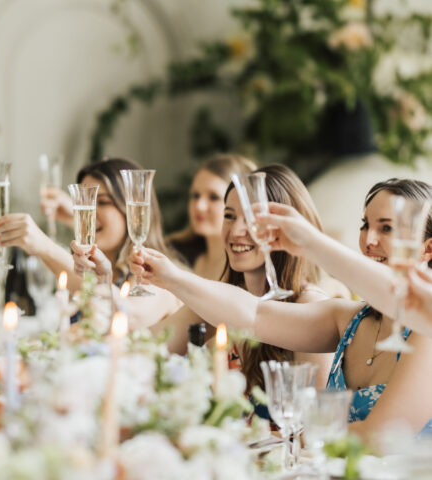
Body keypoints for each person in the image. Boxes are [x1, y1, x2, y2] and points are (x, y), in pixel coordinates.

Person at [132, 177, 432, 441]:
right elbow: (255, 314)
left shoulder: (427, 333)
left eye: (387, 228)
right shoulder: (348, 319)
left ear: (427, 249)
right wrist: (172, 277)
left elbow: (378, 438)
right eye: (365, 225)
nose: (369, 240)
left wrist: (299, 438)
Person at [158, 165, 333, 391]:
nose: (237, 231)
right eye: (229, 216)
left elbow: (312, 418)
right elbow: (151, 345)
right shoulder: (222, 301)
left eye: (253, 219)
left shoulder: (309, 305)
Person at [0, 156, 181, 329]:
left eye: (103, 202)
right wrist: (74, 220)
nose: (89, 212)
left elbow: (127, 313)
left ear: (133, 213)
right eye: (85, 201)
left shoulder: (159, 276)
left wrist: (43, 245)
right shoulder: (101, 270)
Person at [167, 153, 257, 281]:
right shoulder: (175, 252)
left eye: (213, 197)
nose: (199, 206)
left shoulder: (250, 269)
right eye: (195, 195)